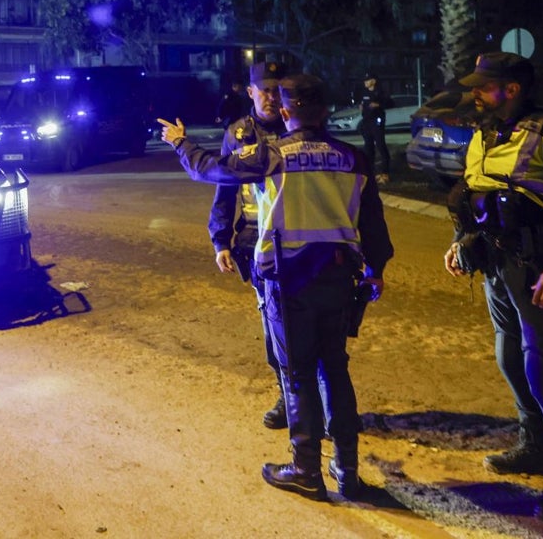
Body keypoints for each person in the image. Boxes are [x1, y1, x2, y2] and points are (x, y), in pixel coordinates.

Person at [159, 73, 393, 500]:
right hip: (340, 278)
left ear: (285, 112)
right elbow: (374, 223)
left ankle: (306, 469)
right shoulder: (353, 158)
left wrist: (180, 142)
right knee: (336, 371)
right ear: (326, 111)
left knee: (299, 375)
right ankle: (348, 471)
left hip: (288, 281)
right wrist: (376, 270)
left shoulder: (269, 155)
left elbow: (209, 170)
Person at [442, 51, 543, 524]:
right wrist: (460, 241)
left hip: (539, 265)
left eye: (483, 86)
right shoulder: (485, 133)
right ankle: (534, 445)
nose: (474, 93)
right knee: (510, 357)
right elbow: (473, 193)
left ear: (511, 89)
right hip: (497, 261)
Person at [209, 60, 290, 430]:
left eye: (277, 90)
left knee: (305, 323)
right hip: (256, 239)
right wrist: (221, 239)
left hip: (299, 238)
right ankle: (287, 395)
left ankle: (317, 400)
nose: (271, 97)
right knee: (272, 321)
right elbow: (224, 189)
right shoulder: (237, 133)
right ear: (251, 91)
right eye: (265, 90)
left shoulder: (298, 126)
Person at [359, 74, 393, 184]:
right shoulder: (364, 93)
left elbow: (390, 103)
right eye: (364, 81)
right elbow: (363, 105)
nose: (365, 82)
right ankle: (370, 173)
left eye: (367, 80)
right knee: (368, 148)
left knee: (381, 146)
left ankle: (385, 173)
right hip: (367, 123)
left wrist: (378, 104)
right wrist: (361, 108)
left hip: (377, 123)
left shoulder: (380, 92)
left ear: (373, 81)